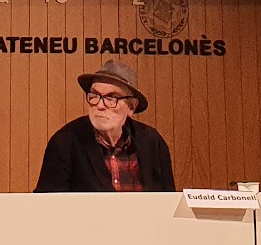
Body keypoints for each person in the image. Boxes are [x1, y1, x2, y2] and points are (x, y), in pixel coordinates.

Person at [34, 60, 176, 192]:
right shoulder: (65, 142)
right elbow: (47, 204)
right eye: (95, 95)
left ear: (131, 107)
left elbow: (169, 201)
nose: (100, 105)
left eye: (111, 98)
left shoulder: (151, 142)